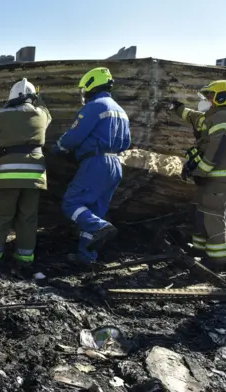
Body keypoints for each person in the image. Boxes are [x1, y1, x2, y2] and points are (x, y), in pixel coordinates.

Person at [51, 67, 131, 265]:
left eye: (84, 89)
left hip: (96, 162)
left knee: (72, 203)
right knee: (95, 209)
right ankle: (86, 258)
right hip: (115, 164)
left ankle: (101, 227)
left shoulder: (95, 106)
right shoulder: (121, 111)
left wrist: (57, 148)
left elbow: (74, 135)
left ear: (91, 85)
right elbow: (127, 142)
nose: (83, 94)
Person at [169, 80, 226, 270]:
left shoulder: (223, 117)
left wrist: (202, 170)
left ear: (223, 97)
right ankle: (199, 249)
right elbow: (195, 117)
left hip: (220, 176)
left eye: (210, 96)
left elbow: (217, 146)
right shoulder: (213, 115)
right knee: (200, 210)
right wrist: (178, 109)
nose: (207, 100)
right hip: (210, 175)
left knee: (212, 214)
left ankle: (218, 259)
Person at [0, 78, 51, 273]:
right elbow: (48, 115)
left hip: (8, 174)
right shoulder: (42, 114)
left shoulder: (2, 114)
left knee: (1, 215)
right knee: (28, 218)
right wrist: (40, 100)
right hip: (35, 176)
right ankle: (24, 259)